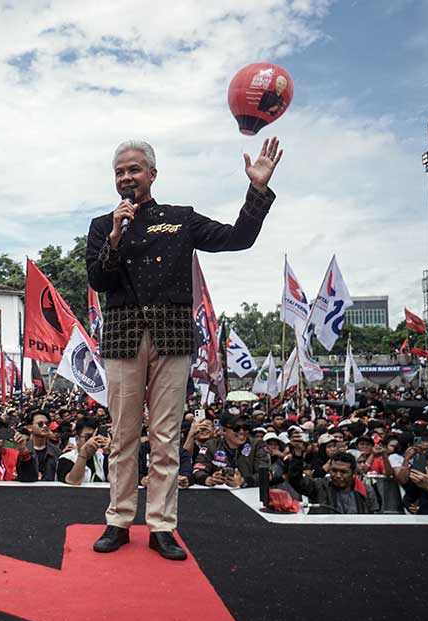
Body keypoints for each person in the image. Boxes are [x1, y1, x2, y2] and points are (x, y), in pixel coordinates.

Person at [85, 137, 281, 560]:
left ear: (152, 174)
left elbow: (237, 238)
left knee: (165, 438)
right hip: (122, 338)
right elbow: (99, 281)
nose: (126, 177)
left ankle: (161, 526)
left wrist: (258, 192)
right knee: (121, 437)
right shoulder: (103, 225)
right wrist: (116, 237)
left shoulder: (180, 219)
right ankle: (118, 520)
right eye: (120, 171)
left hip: (172, 337)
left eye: (134, 169)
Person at [192, 413, 269, 489]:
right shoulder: (211, 445)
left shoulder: (257, 445)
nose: (242, 431)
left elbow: (266, 474)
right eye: (236, 428)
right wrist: (209, 480)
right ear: (223, 430)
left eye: (246, 427)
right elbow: (198, 469)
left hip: (249, 496)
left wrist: (243, 481)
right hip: (218, 495)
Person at [288, 452, 379, 514]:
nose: (338, 475)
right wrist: (297, 457)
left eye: (343, 472)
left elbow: (373, 519)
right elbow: (296, 481)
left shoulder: (366, 491)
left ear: (354, 474)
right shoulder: (320, 486)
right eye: (334, 470)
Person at [58, 418, 110, 485]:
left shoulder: (101, 457)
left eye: (95, 437)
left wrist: (110, 454)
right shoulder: (66, 458)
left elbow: (113, 480)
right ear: (77, 439)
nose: (92, 441)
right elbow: (73, 481)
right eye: (88, 437)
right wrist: (84, 453)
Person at [24, 409, 60, 482]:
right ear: (30, 428)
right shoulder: (22, 451)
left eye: (47, 424)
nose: (44, 426)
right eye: (40, 424)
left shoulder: (56, 451)